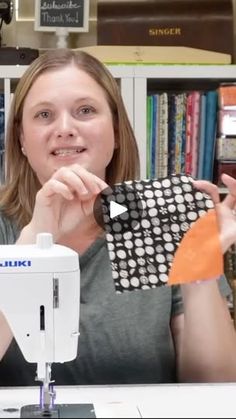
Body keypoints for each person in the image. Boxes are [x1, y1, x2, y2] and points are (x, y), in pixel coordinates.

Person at [0, 48, 236, 386]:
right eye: (44, 115)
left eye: (85, 110)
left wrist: (199, 272)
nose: (64, 128)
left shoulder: (159, 223)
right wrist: (34, 239)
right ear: (22, 139)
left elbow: (217, 388)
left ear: (116, 131)